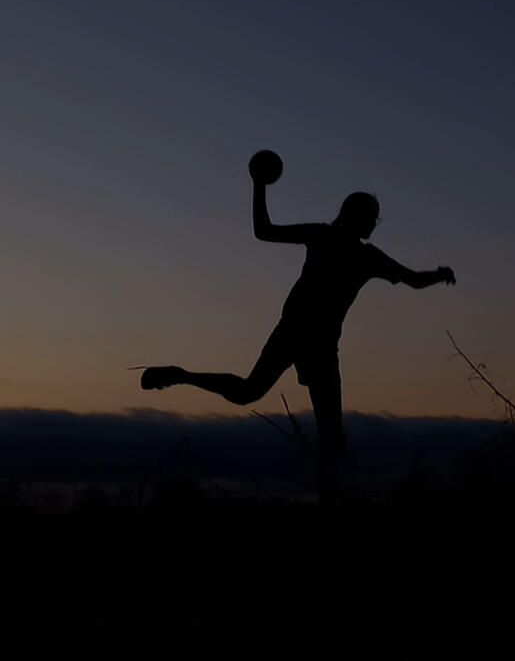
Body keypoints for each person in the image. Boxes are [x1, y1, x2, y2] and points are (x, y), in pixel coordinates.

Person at [139, 166, 456, 499]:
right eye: (372, 217)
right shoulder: (340, 245)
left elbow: (414, 280)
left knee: (278, 407)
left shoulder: (356, 251)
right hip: (304, 340)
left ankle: (181, 375)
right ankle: (180, 375)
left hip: (306, 340)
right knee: (311, 426)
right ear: (357, 216)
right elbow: (264, 230)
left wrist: (438, 274)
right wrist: (258, 184)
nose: (374, 224)